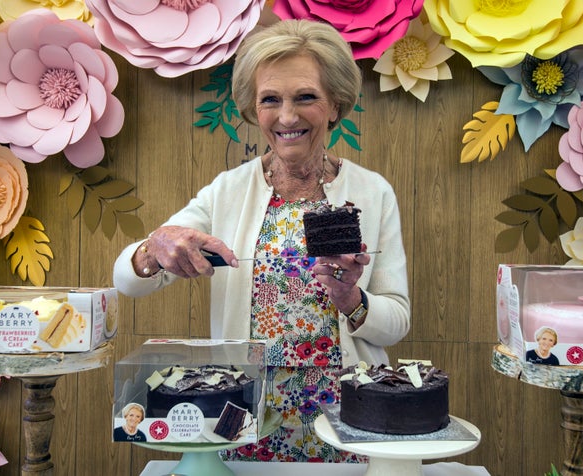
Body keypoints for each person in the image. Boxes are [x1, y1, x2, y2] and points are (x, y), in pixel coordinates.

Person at [113, 19, 410, 462]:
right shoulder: (228, 192)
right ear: (254, 111)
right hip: (244, 419)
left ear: (335, 104)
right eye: (270, 100)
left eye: (305, 97)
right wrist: (154, 248)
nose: (287, 116)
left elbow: (397, 320)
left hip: (346, 419)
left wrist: (351, 297)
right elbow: (129, 280)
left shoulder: (372, 192)